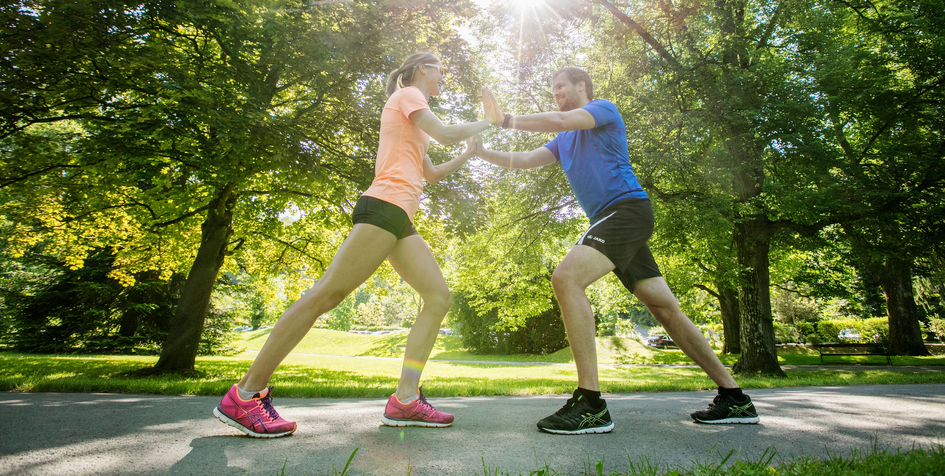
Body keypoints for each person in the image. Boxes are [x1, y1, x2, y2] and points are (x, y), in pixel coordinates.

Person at [214, 52, 500, 437]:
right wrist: (489, 120)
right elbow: (446, 132)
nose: (443, 79)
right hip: (385, 206)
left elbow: (429, 174)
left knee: (437, 297)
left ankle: (404, 400)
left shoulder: (413, 114)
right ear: (421, 70)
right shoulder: (409, 96)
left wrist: (468, 154)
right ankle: (245, 396)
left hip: (400, 217)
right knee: (326, 295)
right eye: (440, 71)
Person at [475, 67, 759, 434]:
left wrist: (506, 120)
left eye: (561, 85)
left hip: (625, 211)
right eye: (553, 88)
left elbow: (562, 117)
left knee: (566, 279)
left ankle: (590, 404)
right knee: (664, 309)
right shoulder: (564, 139)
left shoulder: (603, 110)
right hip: (614, 221)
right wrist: (482, 152)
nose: (556, 91)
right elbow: (527, 160)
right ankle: (735, 398)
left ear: (582, 87)